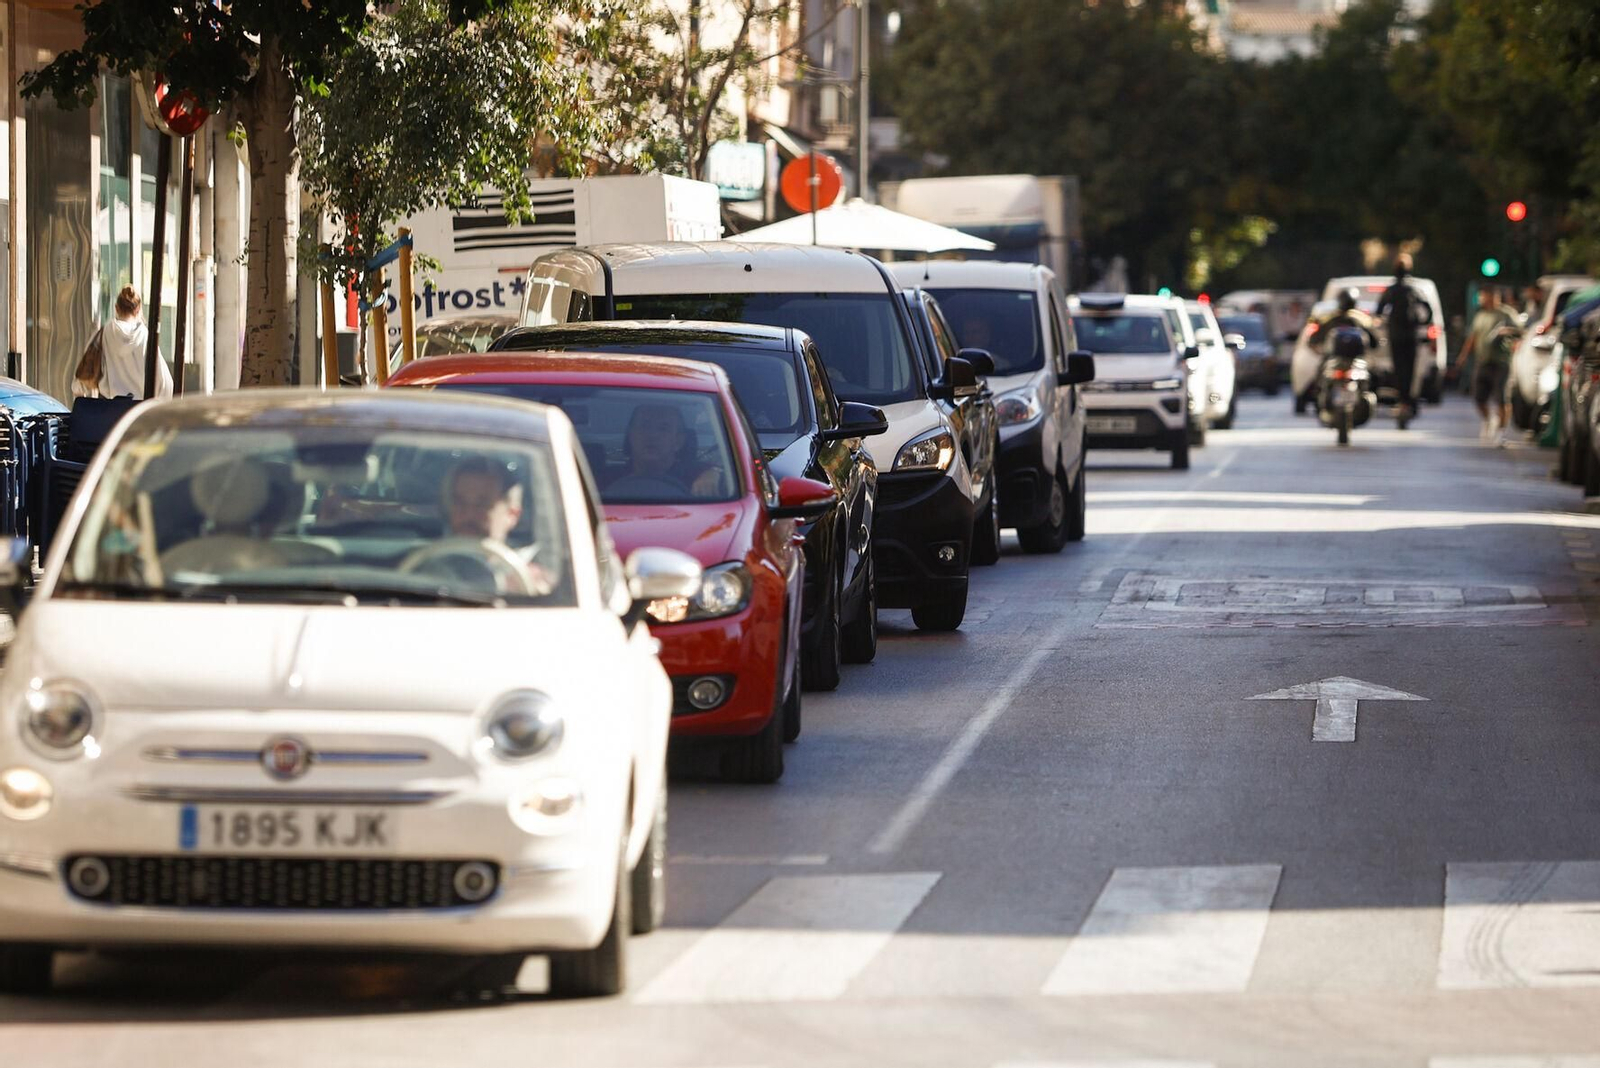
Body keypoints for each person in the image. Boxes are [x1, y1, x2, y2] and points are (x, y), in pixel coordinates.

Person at [73, 286, 173, 400]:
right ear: (138, 309)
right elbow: (166, 384)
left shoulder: (105, 332)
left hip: (109, 411)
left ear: (116, 308)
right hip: (138, 411)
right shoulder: (145, 336)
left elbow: (82, 378)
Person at [1454, 288, 1519, 446]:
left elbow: (1520, 331)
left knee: (1502, 398)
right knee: (1478, 398)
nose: (1484, 299)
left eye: (1486, 296)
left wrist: (1506, 331)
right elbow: (1473, 337)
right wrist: (1463, 356)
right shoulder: (1480, 315)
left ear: (1494, 296)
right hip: (1482, 361)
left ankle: (1501, 433)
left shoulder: (1506, 313)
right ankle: (1488, 419)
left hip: (1501, 362)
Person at [617, 403, 722, 497]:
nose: (652, 435)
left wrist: (714, 474)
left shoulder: (699, 479)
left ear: (678, 441)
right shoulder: (604, 481)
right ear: (630, 435)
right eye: (644, 426)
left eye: (663, 428)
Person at [1375, 257, 1424, 421]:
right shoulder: (1412, 289)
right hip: (1410, 336)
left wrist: (1385, 322)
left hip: (1396, 335)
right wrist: (1420, 321)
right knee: (1409, 370)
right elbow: (1427, 308)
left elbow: (1379, 310)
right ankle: (1408, 401)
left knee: (1399, 369)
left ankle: (1403, 400)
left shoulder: (1392, 290)